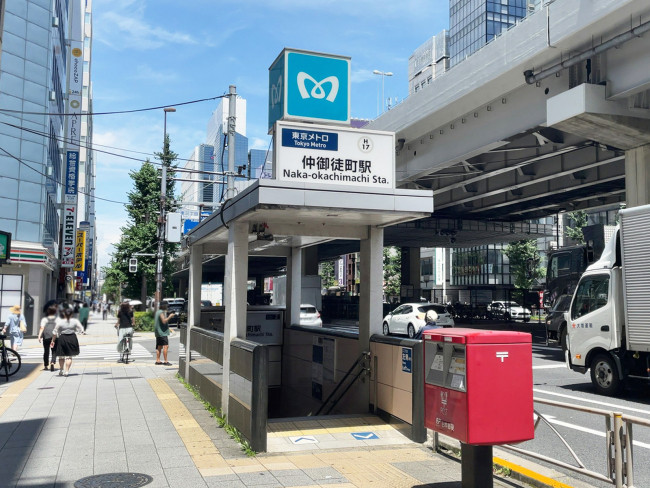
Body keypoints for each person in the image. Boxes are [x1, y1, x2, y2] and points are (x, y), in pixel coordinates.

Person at [51, 306, 84, 376]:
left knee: (61, 356)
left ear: (64, 314)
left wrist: (53, 340)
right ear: (71, 314)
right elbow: (81, 329)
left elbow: (54, 332)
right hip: (72, 337)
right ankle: (67, 371)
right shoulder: (75, 321)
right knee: (69, 356)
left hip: (62, 338)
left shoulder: (60, 322)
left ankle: (61, 370)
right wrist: (78, 332)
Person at [38, 305, 59, 371]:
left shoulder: (45, 319)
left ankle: (46, 365)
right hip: (54, 336)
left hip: (46, 336)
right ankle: (52, 362)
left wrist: (39, 336)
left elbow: (42, 328)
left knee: (46, 351)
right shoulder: (57, 319)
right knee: (54, 350)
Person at [154, 301, 176, 366]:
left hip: (158, 332)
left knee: (159, 346)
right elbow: (164, 321)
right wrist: (170, 316)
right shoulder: (161, 312)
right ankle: (166, 361)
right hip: (162, 332)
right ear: (163, 306)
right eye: (166, 305)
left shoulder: (157, 312)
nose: (167, 307)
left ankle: (158, 360)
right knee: (166, 346)